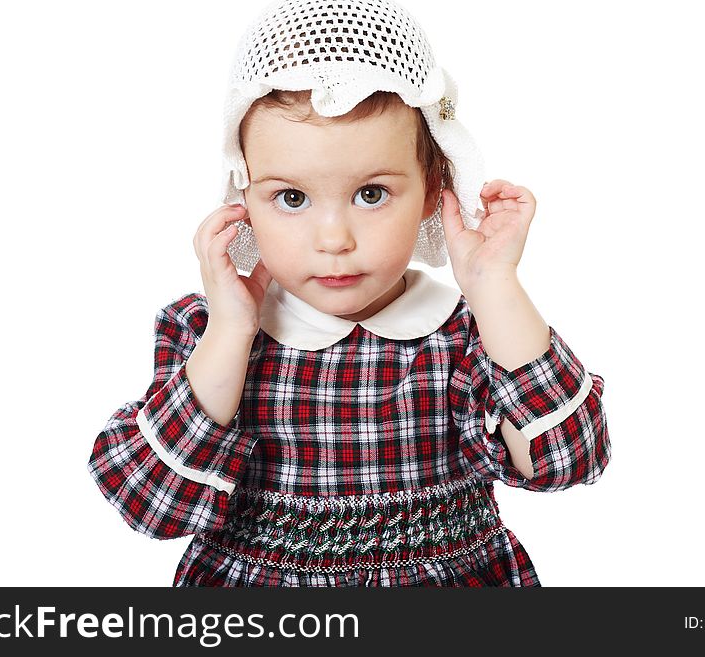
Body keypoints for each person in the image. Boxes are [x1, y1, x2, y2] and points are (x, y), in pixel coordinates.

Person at [87, 0, 610, 587]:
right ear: (243, 197)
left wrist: (495, 287)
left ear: (434, 189)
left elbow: (570, 460)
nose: (333, 240)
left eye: (371, 194)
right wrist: (232, 333)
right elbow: (149, 505)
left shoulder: (468, 334)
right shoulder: (209, 332)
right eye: (291, 198)